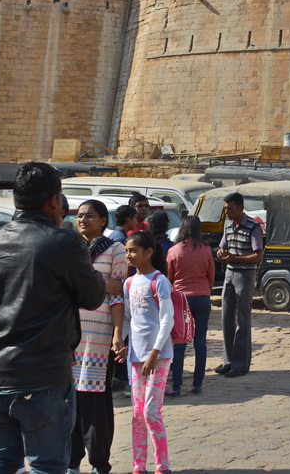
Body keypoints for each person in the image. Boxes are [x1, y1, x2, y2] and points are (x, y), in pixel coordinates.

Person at [0, 162, 105, 474]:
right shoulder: (63, 241)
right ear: (55, 200)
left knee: (1, 458)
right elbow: (93, 295)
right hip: (40, 374)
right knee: (47, 465)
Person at [69, 199, 127, 474]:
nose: (83, 220)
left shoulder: (116, 249)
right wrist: (100, 284)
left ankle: (99, 463)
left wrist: (118, 333)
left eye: (89, 216)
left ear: (103, 220)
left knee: (95, 403)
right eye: (79, 216)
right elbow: (65, 283)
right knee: (69, 402)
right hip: (69, 335)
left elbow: (117, 294)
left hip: (99, 335)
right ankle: (71, 462)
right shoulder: (69, 247)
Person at [119, 231, 173, 474]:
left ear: (148, 252)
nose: (129, 256)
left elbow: (167, 320)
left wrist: (154, 353)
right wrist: (120, 342)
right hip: (135, 357)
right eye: (127, 251)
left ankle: (162, 465)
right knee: (137, 413)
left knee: (151, 411)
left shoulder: (159, 281)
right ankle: (139, 465)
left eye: (133, 251)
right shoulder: (129, 283)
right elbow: (129, 319)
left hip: (158, 356)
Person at [215, 192, 264, 378]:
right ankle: (228, 362)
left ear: (241, 208)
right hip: (229, 273)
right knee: (227, 318)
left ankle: (240, 364)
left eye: (230, 209)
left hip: (245, 274)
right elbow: (223, 247)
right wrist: (221, 252)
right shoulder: (228, 226)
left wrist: (235, 258)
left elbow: (258, 255)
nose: (227, 212)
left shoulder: (253, 227)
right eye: (226, 208)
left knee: (242, 320)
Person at [166, 215, 216, 395]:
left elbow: (169, 278)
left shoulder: (174, 251)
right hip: (202, 296)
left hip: (180, 298)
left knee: (179, 343)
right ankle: (197, 384)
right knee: (200, 341)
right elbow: (211, 276)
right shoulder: (206, 249)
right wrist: (205, 289)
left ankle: (176, 386)